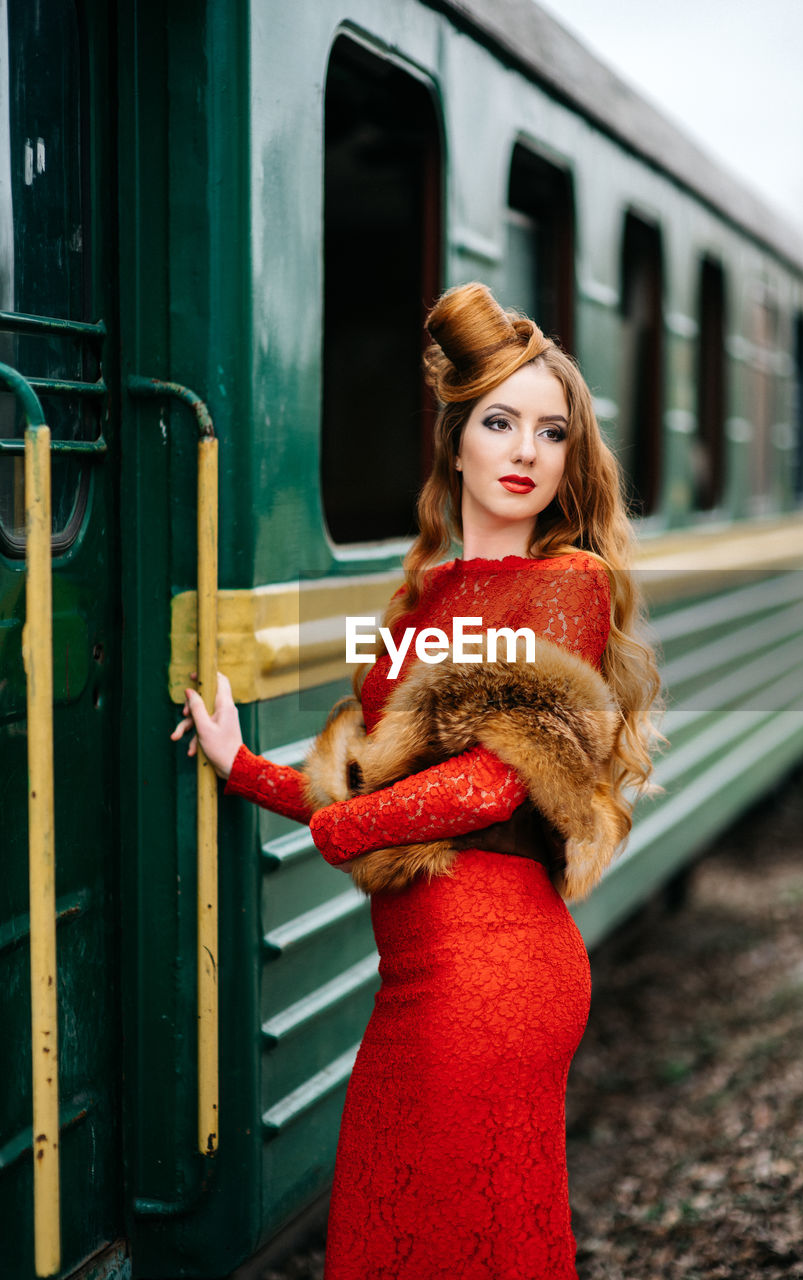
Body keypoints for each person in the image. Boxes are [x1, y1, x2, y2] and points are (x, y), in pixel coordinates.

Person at [172, 282, 660, 1279]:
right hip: (422, 977)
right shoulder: (428, 593)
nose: (524, 449)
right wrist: (244, 766)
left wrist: (341, 827)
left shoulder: (563, 585)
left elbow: (491, 784)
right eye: (499, 421)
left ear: (570, 457)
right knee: (392, 1240)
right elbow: (365, 765)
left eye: (550, 431)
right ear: (457, 441)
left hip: (495, 971)